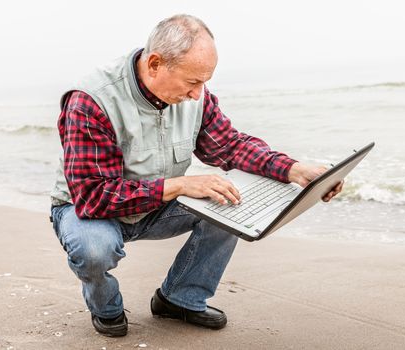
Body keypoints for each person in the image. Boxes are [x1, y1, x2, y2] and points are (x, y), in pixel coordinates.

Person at [50, 14, 343, 337]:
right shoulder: (90, 101)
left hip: (155, 203)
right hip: (88, 210)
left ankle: (179, 299)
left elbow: (229, 146)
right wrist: (180, 185)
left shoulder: (196, 95)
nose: (197, 94)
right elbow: (95, 196)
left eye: (204, 82)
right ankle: (106, 308)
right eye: (192, 82)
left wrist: (292, 168)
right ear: (155, 65)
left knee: (229, 201)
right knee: (94, 249)